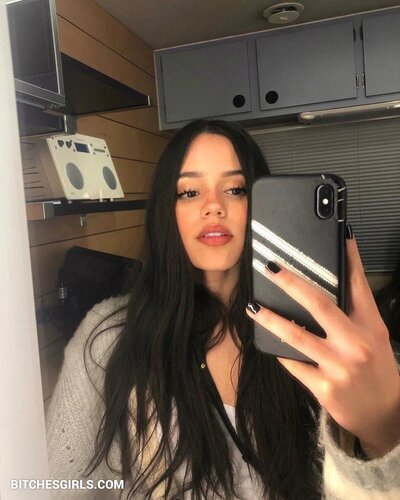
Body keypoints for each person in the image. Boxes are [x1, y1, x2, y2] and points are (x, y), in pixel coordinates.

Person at [46, 119, 400, 500]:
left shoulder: (318, 335)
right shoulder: (107, 337)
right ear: (166, 210)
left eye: (235, 189)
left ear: (263, 206)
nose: (213, 206)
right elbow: (56, 487)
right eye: (189, 192)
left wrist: (385, 433)